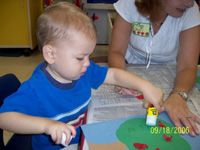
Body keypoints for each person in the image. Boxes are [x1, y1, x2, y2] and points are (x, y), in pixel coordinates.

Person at [0, 2, 164, 150]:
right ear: (51, 54)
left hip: (81, 137)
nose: (87, 63)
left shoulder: (83, 71)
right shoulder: (35, 89)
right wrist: (47, 126)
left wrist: (145, 86)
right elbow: (4, 118)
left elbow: (114, 75)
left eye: (89, 56)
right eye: (80, 57)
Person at [108, 0, 200, 137]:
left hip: (172, 72)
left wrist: (179, 95)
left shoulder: (191, 12)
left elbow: (187, 66)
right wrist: (122, 78)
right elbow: (116, 52)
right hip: (128, 67)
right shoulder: (129, 3)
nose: (190, 4)